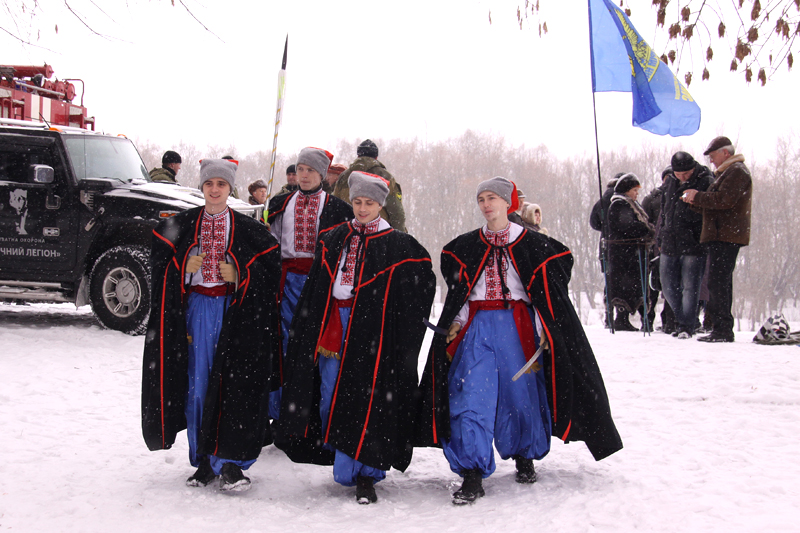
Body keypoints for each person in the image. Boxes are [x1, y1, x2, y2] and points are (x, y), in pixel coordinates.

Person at [417, 177, 622, 505]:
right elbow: (463, 293)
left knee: (521, 396)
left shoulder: (535, 246)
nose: (486, 205)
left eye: (492, 198)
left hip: (519, 328)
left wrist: (544, 331)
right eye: (481, 199)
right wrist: (457, 321)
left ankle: (524, 454)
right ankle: (472, 471)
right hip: (477, 329)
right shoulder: (465, 247)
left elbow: (544, 296)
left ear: (508, 202)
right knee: (470, 396)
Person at [275, 171, 436, 504]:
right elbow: (317, 287)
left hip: (372, 331)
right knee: (330, 393)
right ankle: (342, 454)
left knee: (367, 399)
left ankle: (366, 474)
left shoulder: (400, 246)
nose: (362, 209)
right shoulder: (333, 237)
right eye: (358, 202)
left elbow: (420, 285)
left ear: (381, 205)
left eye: (370, 203)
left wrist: (396, 320)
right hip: (333, 326)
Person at [141, 158, 281, 492]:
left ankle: (231, 462)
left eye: (221, 184)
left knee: (235, 386)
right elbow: (159, 265)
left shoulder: (248, 229)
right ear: (202, 187)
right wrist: (182, 267)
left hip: (236, 314)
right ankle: (203, 458)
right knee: (198, 386)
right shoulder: (183, 225)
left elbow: (270, 271)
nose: (215, 190)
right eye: (209, 184)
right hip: (197, 312)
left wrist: (241, 274)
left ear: (230, 188)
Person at [266, 147, 353, 419]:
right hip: (286, 284)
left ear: (322, 174)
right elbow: (271, 244)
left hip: (320, 284)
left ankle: (310, 414)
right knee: (283, 343)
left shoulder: (339, 209)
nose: (303, 175)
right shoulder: (280, 204)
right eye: (300, 169)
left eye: (311, 170)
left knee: (314, 345)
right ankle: (281, 412)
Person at [682, 136, 752, 343]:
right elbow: (718, 203)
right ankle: (720, 327)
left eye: (713, 156)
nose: (711, 161)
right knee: (718, 282)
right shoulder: (729, 172)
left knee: (718, 282)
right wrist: (694, 201)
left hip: (726, 235)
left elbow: (724, 200)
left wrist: (697, 196)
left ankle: (722, 329)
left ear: (725, 153)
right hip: (722, 234)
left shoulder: (736, 171)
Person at [658, 152, 714, 339]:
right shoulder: (670, 182)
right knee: (667, 285)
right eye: (678, 174)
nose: (682, 177)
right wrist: (661, 237)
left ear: (693, 168)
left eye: (686, 174)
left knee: (690, 287)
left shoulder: (705, 180)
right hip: (669, 241)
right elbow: (664, 212)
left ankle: (686, 326)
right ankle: (683, 319)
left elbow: (709, 209)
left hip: (693, 243)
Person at [606, 174, 655, 331]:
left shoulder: (629, 204)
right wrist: (646, 230)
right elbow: (628, 226)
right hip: (624, 255)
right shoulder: (619, 205)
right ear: (626, 190)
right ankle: (622, 318)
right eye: (634, 190)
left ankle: (643, 319)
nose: (636, 194)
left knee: (635, 286)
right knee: (625, 286)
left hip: (631, 253)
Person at [333, 139, 407, 232]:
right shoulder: (385, 176)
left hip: (348, 232)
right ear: (376, 157)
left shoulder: (344, 177)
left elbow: (334, 206)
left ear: (358, 155)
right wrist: (400, 236)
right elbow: (396, 212)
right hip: (378, 233)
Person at [590, 175, 625, 328]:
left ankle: (608, 316)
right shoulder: (621, 201)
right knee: (623, 282)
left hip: (605, 246)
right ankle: (621, 316)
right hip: (621, 248)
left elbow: (594, 223)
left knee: (609, 282)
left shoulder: (601, 202)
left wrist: (605, 228)